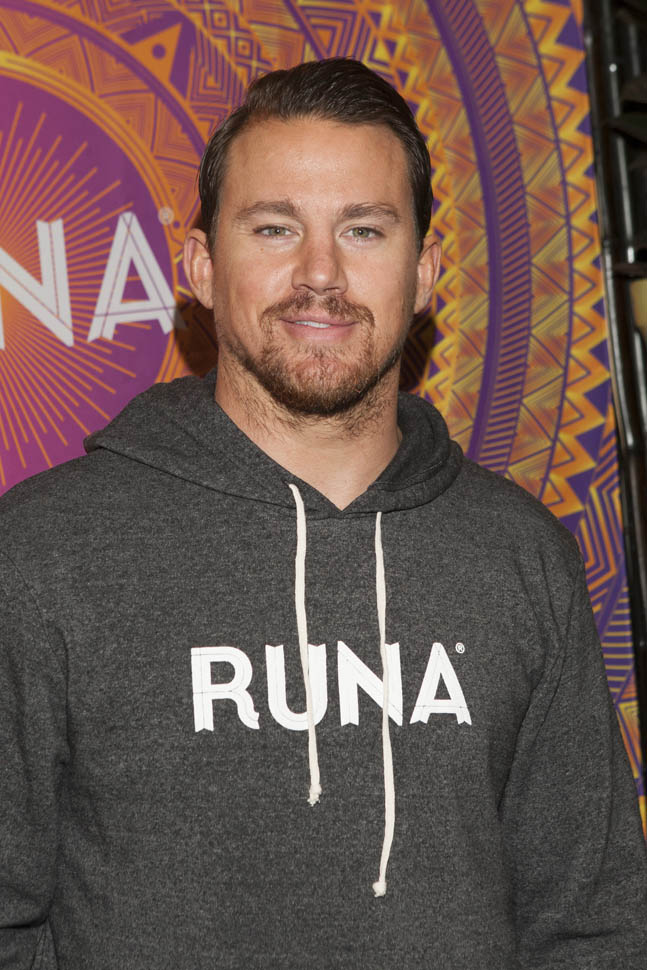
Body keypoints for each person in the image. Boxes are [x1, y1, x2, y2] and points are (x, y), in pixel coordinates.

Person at [0, 58, 645, 970]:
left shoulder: (517, 552)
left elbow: (593, 924)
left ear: (424, 272)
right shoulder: (43, 552)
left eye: (363, 230)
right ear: (201, 267)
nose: (319, 274)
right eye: (274, 228)